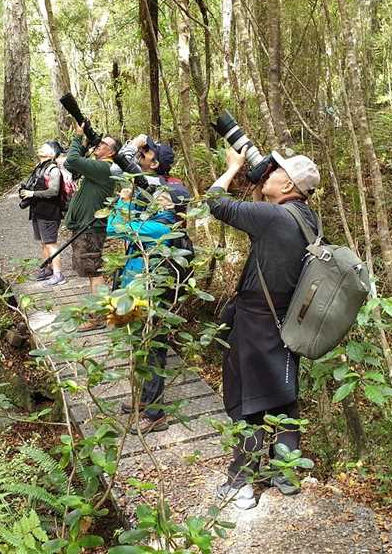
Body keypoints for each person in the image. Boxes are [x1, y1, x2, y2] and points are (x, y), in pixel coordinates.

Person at [207, 146, 321, 510]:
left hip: (257, 321)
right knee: (283, 394)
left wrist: (233, 167)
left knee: (250, 403)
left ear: (287, 182)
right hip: (288, 321)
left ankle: (241, 484)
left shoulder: (273, 219)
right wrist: (259, 185)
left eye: (275, 171)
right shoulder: (306, 219)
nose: (267, 172)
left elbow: (215, 201)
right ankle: (286, 474)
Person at [106, 183, 191, 435]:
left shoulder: (159, 229)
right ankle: (144, 401)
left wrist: (124, 200)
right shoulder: (158, 223)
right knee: (140, 349)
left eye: (162, 197)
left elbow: (114, 227)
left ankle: (155, 414)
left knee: (152, 353)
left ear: (171, 206)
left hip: (151, 300)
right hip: (138, 297)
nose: (155, 198)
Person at [63, 120, 119, 330]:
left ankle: (99, 317)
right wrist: (86, 145)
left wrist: (78, 137)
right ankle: (100, 313)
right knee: (91, 271)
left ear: (111, 153)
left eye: (104, 144)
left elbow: (72, 158)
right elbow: (70, 164)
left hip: (90, 229)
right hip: (86, 228)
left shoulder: (104, 168)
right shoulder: (97, 167)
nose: (99, 144)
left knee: (95, 272)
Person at [20, 143, 65, 285]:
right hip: (38, 211)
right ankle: (47, 269)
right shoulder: (40, 167)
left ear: (52, 154)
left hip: (50, 213)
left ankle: (58, 275)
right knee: (44, 243)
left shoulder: (53, 170)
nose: (41, 148)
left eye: (45, 147)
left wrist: (32, 193)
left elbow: (54, 191)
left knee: (51, 243)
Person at [115, 134, 179, 187]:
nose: (141, 150)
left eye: (146, 150)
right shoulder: (143, 174)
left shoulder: (151, 182)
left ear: (154, 164)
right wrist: (132, 143)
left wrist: (134, 146)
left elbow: (116, 169)